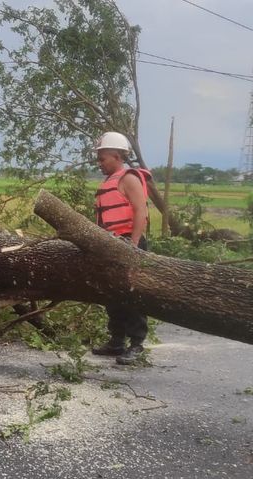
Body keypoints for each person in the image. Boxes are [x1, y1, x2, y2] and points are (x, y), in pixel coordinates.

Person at [90, 131, 151, 365]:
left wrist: (134, 244)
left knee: (133, 293)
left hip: (128, 241)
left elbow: (140, 212)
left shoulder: (129, 178)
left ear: (116, 156)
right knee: (112, 294)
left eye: (102, 158)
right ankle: (116, 341)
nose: (99, 163)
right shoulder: (107, 182)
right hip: (110, 242)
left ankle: (136, 345)